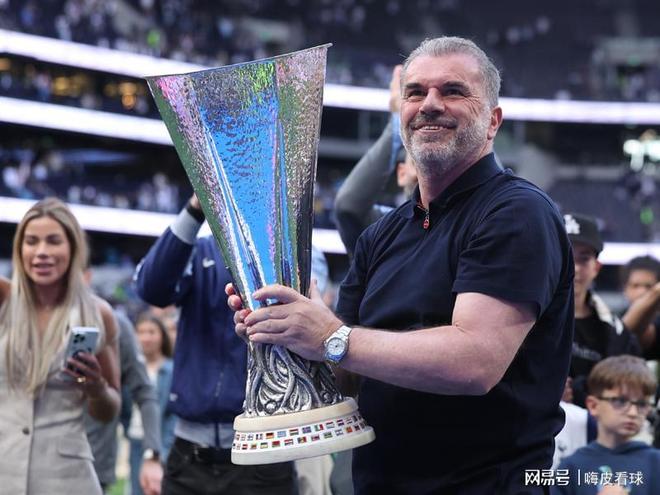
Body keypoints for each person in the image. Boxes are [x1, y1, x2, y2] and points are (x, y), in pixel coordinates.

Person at [228, 36, 575, 494]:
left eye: (452, 90)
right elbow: (347, 375)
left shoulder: (517, 213)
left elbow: (475, 362)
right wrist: (288, 330)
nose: (429, 104)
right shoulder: (382, 234)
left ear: (493, 122)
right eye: (415, 92)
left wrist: (331, 336)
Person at [134, 194, 299, 495]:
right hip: (190, 455)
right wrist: (194, 208)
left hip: (264, 448)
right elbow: (151, 289)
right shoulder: (199, 250)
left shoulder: (287, 249)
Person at [0, 197, 121, 494]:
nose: (41, 252)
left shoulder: (98, 313)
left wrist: (96, 388)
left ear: (73, 248)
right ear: (19, 249)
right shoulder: (3, 300)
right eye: (31, 241)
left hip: (68, 479)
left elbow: (110, 410)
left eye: (53, 241)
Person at [334, 64, 418, 257]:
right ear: (401, 173)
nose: (424, 167)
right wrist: (399, 120)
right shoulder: (388, 228)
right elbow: (349, 208)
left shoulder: (468, 223)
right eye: (416, 160)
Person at [564, 213, 641, 407]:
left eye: (584, 259)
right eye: (566, 255)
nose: (575, 268)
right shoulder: (524, 317)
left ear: (596, 268)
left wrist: (580, 392)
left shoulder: (615, 331)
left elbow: (632, 385)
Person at [552, 355, 660, 495]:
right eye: (620, 401)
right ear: (593, 405)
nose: (633, 412)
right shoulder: (571, 468)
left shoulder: (655, 462)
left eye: (641, 404)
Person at [84, 310, 164, 495]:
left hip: (94, 458)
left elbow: (144, 392)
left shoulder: (111, 322)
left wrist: (152, 454)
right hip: (35, 458)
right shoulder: (22, 315)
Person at [127, 313, 176, 495]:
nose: (146, 337)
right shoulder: (131, 370)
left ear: (161, 336)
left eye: (151, 332)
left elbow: (173, 416)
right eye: (140, 332)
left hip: (163, 444)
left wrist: (163, 451)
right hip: (135, 440)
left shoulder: (171, 370)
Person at [620, 255, 660, 358]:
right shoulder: (613, 319)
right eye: (635, 285)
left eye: (648, 286)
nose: (641, 292)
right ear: (625, 288)